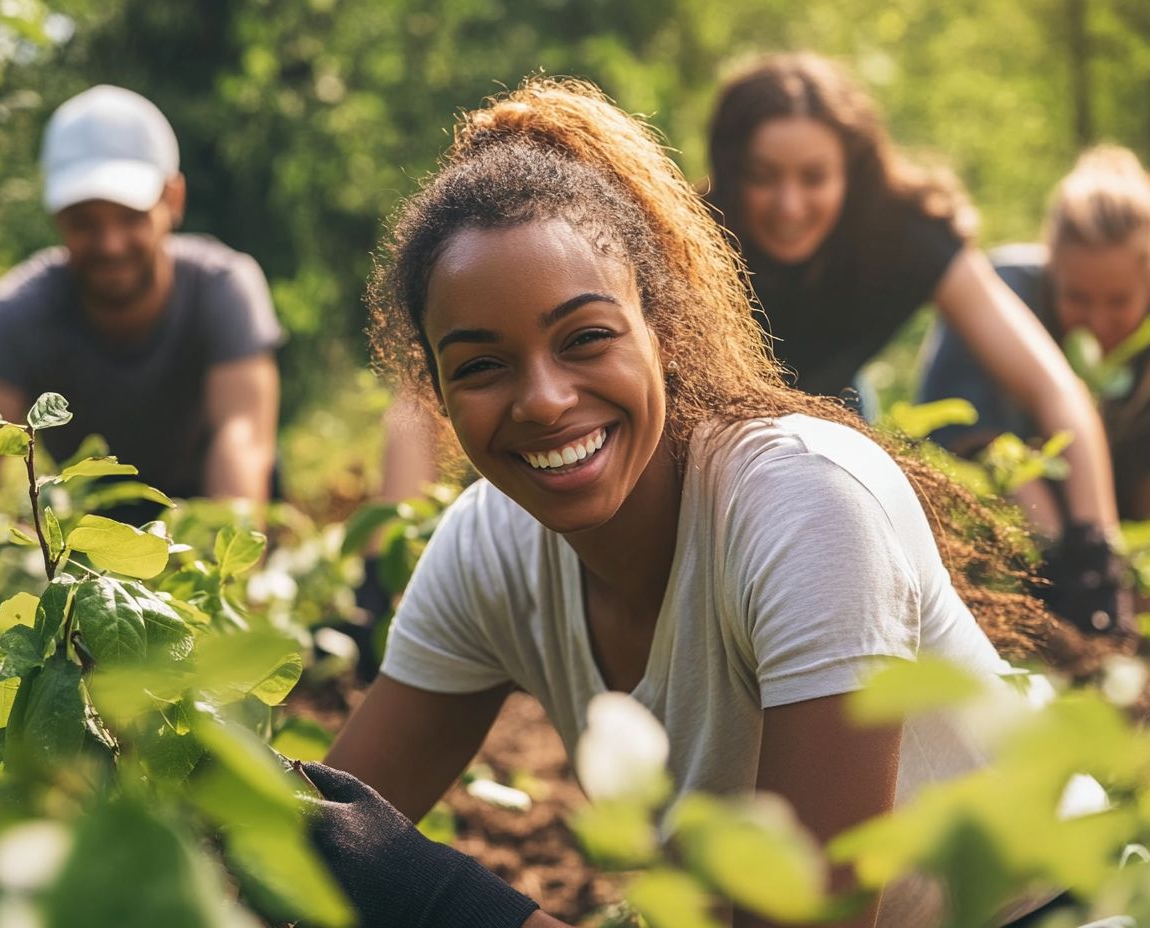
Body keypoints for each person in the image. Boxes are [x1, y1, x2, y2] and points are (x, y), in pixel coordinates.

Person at [307, 77, 1077, 928]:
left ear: (663, 330)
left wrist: (438, 899)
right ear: (436, 390)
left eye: (586, 339)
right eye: (482, 365)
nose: (544, 401)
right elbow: (316, 843)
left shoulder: (804, 505)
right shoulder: (489, 548)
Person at [703, 53, 1124, 623]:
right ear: (732, 169)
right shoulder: (694, 237)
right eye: (763, 177)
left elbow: (1052, 386)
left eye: (814, 177)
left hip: (838, 412)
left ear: (852, 171)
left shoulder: (903, 231)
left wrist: (1096, 552)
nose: (789, 205)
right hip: (720, 446)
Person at [0, 85, 282, 591]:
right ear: (56, 217)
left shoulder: (223, 288)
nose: (110, 244)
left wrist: (227, 597)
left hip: (208, 507)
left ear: (172, 199)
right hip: (87, 526)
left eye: (131, 217)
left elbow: (241, 444)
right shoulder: (17, 312)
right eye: (84, 223)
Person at [919, 146, 1150, 631]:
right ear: (1053, 267)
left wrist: (1121, 580)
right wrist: (1059, 563)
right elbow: (977, 442)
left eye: (1119, 302)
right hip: (1000, 535)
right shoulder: (1002, 293)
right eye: (1078, 298)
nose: (1097, 322)